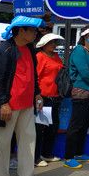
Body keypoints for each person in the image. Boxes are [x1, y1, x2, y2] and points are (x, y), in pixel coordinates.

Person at [0, 15, 47, 176]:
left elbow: (33, 75)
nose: (35, 34)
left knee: (28, 142)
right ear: (20, 30)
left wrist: (37, 93)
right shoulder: (3, 50)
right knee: (2, 145)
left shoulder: (29, 48)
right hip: (8, 106)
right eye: (32, 30)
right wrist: (2, 103)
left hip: (26, 105)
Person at [64, 26, 89, 169]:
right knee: (76, 124)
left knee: (84, 124)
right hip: (82, 92)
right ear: (85, 36)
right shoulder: (79, 51)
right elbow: (85, 72)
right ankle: (69, 156)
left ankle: (79, 152)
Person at [34, 33, 65, 166]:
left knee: (52, 127)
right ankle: (36, 157)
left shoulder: (56, 56)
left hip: (56, 96)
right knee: (40, 128)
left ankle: (47, 153)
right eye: (51, 42)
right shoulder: (39, 57)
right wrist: (37, 95)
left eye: (54, 42)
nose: (53, 45)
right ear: (44, 44)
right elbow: (36, 76)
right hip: (43, 97)